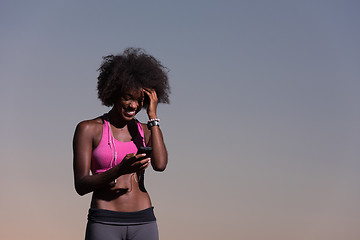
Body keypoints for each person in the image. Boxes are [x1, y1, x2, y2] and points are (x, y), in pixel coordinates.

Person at [73, 48, 170, 240]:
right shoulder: (89, 129)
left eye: (139, 100)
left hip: (144, 220)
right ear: (114, 93)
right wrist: (119, 170)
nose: (133, 106)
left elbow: (160, 165)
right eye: (128, 97)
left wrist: (153, 116)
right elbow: (81, 185)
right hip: (104, 220)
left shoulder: (147, 130)